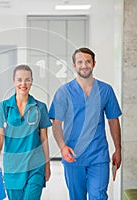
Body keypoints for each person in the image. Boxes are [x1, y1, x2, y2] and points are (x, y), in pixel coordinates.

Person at [49, 47, 122, 200]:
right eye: (80, 62)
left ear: (94, 63)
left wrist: (118, 148)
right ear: (74, 65)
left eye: (88, 61)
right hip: (73, 154)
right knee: (77, 197)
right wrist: (62, 147)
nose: (84, 65)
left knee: (98, 195)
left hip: (99, 154)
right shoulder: (64, 92)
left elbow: (113, 120)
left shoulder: (106, 90)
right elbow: (56, 123)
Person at [0, 64, 51, 200]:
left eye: (27, 80)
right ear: (14, 81)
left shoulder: (40, 107)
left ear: (32, 81)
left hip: (35, 165)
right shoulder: (3, 107)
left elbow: (44, 138)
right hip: (13, 168)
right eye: (19, 80)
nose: (23, 84)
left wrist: (47, 164)